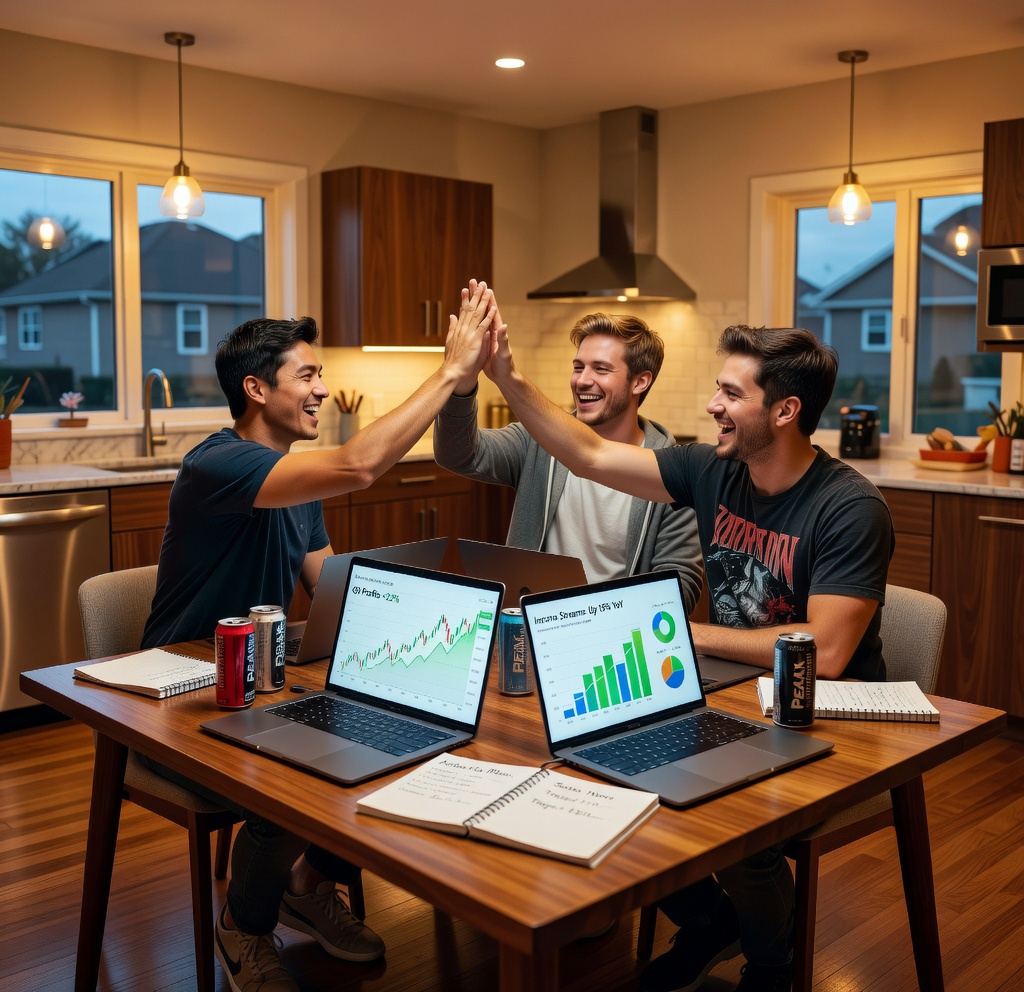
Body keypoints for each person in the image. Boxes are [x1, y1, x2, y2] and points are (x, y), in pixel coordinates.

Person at [477, 285, 893, 992]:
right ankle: (707, 923)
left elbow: (825, 651)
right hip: (727, 694)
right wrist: (504, 375)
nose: (711, 406)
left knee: (738, 828)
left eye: (730, 394)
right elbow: (588, 456)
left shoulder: (849, 506)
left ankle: (772, 963)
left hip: (822, 713)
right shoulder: (713, 469)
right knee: (594, 761)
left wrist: (691, 634)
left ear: (785, 411)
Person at [141, 291, 496, 992]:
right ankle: (243, 926)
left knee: (396, 727)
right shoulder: (219, 466)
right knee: (303, 774)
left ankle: (305, 884)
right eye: (307, 376)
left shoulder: (294, 480)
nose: (323, 390)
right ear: (256, 389)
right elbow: (359, 466)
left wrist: (418, 619)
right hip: (181, 696)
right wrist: (451, 373)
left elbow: (326, 589)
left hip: (258, 684)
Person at [433, 300, 702, 610]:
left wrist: (598, 616)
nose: (583, 380)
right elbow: (458, 454)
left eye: (601, 369)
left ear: (640, 381)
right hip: (531, 625)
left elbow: (681, 585)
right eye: (578, 367)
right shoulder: (539, 440)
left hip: (616, 636)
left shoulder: (671, 473)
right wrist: (463, 381)